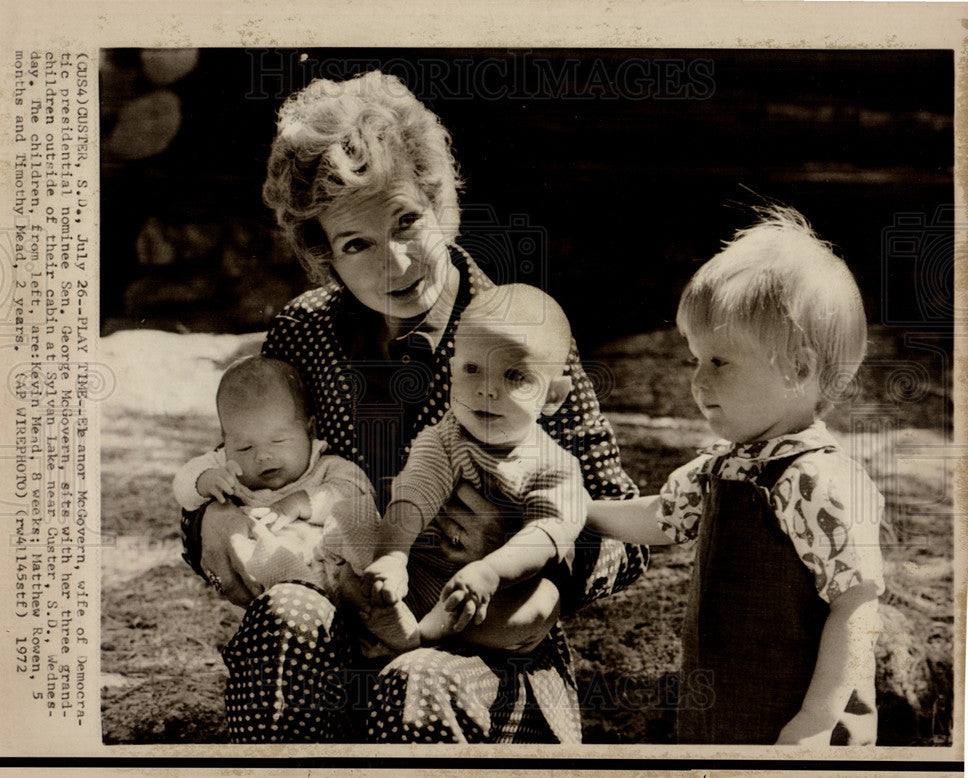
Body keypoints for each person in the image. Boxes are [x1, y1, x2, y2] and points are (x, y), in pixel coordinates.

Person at [180, 70, 650, 744]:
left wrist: (544, 585)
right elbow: (242, 465)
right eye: (356, 244)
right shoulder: (301, 332)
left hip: (478, 653)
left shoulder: (515, 332)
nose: (394, 262)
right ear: (324, 254)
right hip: (341, 630)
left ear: (439, 201)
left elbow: (614, 511)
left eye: (405, 220)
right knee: (281, 616)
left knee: (416, 683)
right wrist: (212, 520)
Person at [586, 206, 884, 746]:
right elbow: (662, 516)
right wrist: (582, 513)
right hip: (724, 704)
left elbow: (856, 603)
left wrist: (817, 719)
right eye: (694, 360)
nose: (698, 382)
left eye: (719, 362)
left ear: (798, 367)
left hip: (795, 717)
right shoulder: (727, 465)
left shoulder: (818, 479)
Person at [364, 283, 585, 654]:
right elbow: (414, 496)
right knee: (356, 573)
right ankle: (402, 622)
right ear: (452, 370)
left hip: (492, 593)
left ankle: (419, 636)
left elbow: (547, 534)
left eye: (514, 376)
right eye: (471, 368)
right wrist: (393, 557)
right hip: (420, 574)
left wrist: (490, 572)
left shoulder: (556, 466)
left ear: (554, 396)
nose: (485, 389)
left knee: (540, 606)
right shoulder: (445, 436)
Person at [173, 355, 379, 598]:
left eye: (278, 441)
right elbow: (182, 482)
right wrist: (206, 479)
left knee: (359, 516)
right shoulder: (227, 466)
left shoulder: (325, 466)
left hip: (336, 561)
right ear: (226, 441)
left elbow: (358, 489)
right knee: (251, 548)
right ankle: (300, 591)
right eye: (245, 448)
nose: (262, 456)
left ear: (309, 430)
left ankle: (369, 598)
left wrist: (303, 501)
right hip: (281, 575)